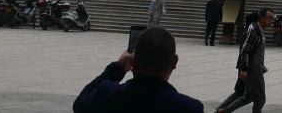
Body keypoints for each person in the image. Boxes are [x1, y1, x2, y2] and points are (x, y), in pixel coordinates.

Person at [72, 25, 203, 113]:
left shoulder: (107, 94)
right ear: (174, 62)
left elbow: (79, 104)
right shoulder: (189, 108)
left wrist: (117, 68)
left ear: (133, 61)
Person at [216, 7, 273, 113]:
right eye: (269, 18)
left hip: (253, 68)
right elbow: (245, 50)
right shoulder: (254, 30)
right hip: (252, 70)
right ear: (262, 17)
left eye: (272, 18)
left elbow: (254, 51)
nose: (271, 21)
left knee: (243, 94)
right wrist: (244, 69)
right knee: (260, 99)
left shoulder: (259, 30)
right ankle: (223, 111)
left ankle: (222, 111)